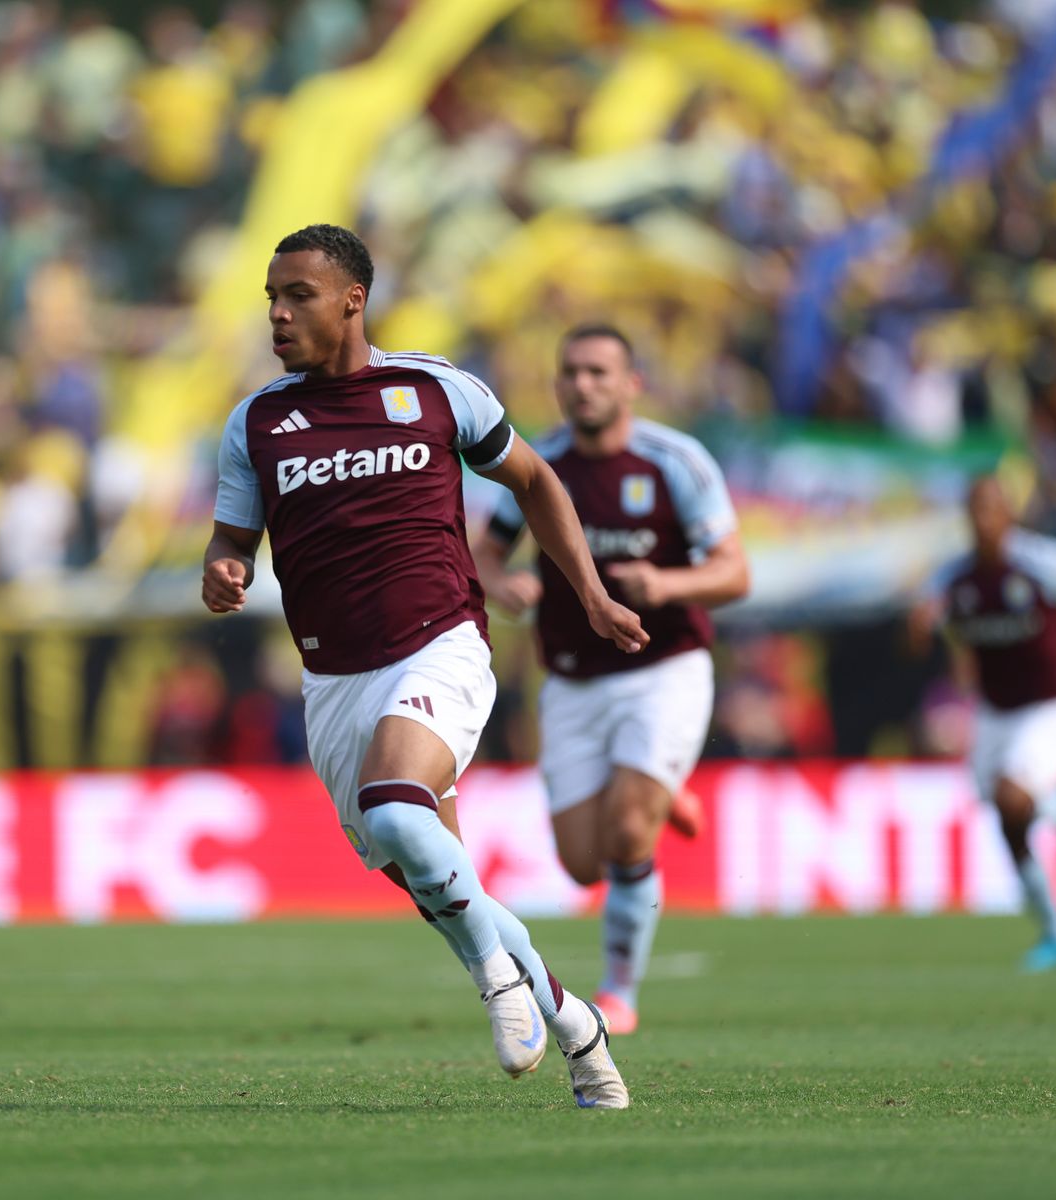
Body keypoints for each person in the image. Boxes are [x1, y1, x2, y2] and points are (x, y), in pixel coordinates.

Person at [203, 224, 647, 1108]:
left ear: (352, 300)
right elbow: (230, 540)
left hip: (441, 643)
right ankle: (574, 1023)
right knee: (434, 875)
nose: (279, 315)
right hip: (333, 681)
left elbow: (535, 482)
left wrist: (590, 594)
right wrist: (224, 570)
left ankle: (496, 982)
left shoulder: (434, 391)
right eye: (271, 298)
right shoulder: (257, 423)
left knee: (396, 808)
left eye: (297, 296)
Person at [473, 325, 749, 1036]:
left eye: (599, 372)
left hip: (664, 670)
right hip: (570, 681)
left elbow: (735, 573)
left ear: (632, 384)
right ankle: (665, 790)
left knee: (628, 837)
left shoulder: (674, 461)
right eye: (570, 372)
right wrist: (501, 583)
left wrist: (665, 582)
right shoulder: (539, 462)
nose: (582, 384)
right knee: (581, 865)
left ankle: (619, 992)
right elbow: (486, 551)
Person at [912, 475, 1056, 972]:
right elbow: (926, 634)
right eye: (974, 510)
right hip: (994, 711)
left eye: (991, 509)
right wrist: (921, 630)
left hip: (1050, 706)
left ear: (1008, 514)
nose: (983, 520)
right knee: (1008, 822)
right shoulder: (954, 578)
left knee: (1014, 798)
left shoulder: (1044, 563)